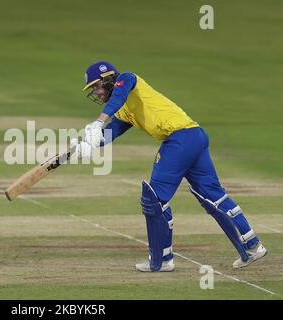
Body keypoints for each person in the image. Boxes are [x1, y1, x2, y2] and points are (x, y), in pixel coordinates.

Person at [71, 61, 267, 272]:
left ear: (108, 80)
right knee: (213, 197)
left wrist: (99, 121)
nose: (96, 93)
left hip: (180, 139)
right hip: (194, 136)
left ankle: (162, 260)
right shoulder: (123, 110)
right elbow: (112, 132)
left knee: (153, 199)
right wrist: (87, 144)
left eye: (96, 87)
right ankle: (252, 247)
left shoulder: (127, 79)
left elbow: (116, 98)